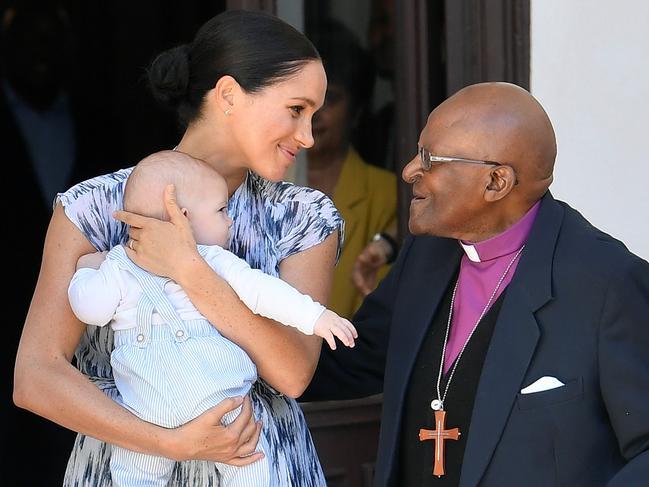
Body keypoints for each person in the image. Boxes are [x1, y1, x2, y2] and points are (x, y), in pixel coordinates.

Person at [14, 10, 341, 486]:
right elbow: (36, 377)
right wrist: (170, 442)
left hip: (259, 465)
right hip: (126, 468)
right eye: (296, 109)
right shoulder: (94, 207)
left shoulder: (305, 217)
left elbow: (292, 373)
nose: (308, 136)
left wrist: (191, 269)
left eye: (313, 115)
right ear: (228, 94)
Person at [302, 82, 649, 486]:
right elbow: (353, 359)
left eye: (430, 159)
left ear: (496, 182)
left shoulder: (607, 281)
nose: (410, 170)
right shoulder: (425, 257)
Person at [68, 151, 356, 486]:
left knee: (138, 473)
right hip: (201, 400)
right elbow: (265, 293)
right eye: (221, 211)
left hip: (158, 404)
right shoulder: (195, 261)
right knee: (248, 464)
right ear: (183, 216)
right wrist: (316, 317)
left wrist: (84, 272)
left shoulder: (126, 263)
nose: (230, 220)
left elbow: (91, 308)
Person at [298, 19, 397, 318]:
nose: (314, 113)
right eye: (301, 99)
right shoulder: (256, 184)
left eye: (330, 99)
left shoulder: (387, 194)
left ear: (356, 113)